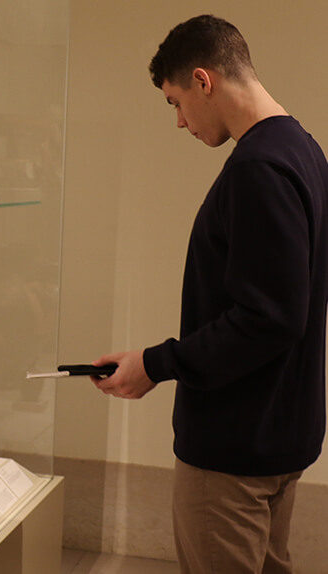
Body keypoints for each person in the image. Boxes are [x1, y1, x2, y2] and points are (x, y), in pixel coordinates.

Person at [89, 14, 328, 574]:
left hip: (233, 451)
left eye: (175, 101)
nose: (178, 120)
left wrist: (155, 363)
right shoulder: (305, 152)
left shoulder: (259, 168)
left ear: (203, 80)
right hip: (279, 436)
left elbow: (268, 318)